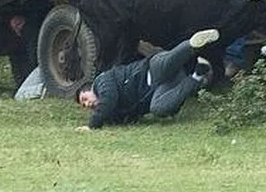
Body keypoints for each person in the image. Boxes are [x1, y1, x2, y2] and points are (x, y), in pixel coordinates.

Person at [76, 30, 218, 129]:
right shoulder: (111, 111)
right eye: (85, 106)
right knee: (158, 108)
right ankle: (198, 75)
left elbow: (109, 98)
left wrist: (93, 124)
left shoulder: (102, 81)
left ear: (90, 88)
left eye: (85, 99)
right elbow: (123, 117)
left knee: (166, 62)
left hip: (150, 69)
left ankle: (192, 45)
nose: (88, 104)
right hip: (160, 88)